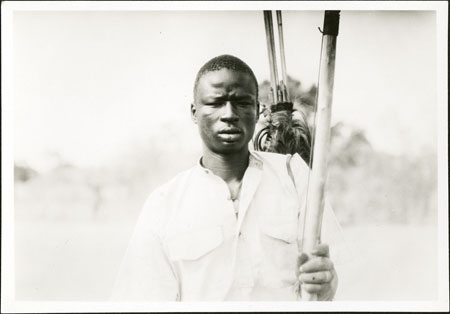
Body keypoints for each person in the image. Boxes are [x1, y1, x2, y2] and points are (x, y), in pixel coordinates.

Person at [111, 54, 344, 301]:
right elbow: (141, 301)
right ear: (194, 112)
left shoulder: (294, 177)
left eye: (242, 103)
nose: (229, 114)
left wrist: (327, 285)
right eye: (216, 103)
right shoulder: (163, 204)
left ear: (256, 111)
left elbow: (330, 275)